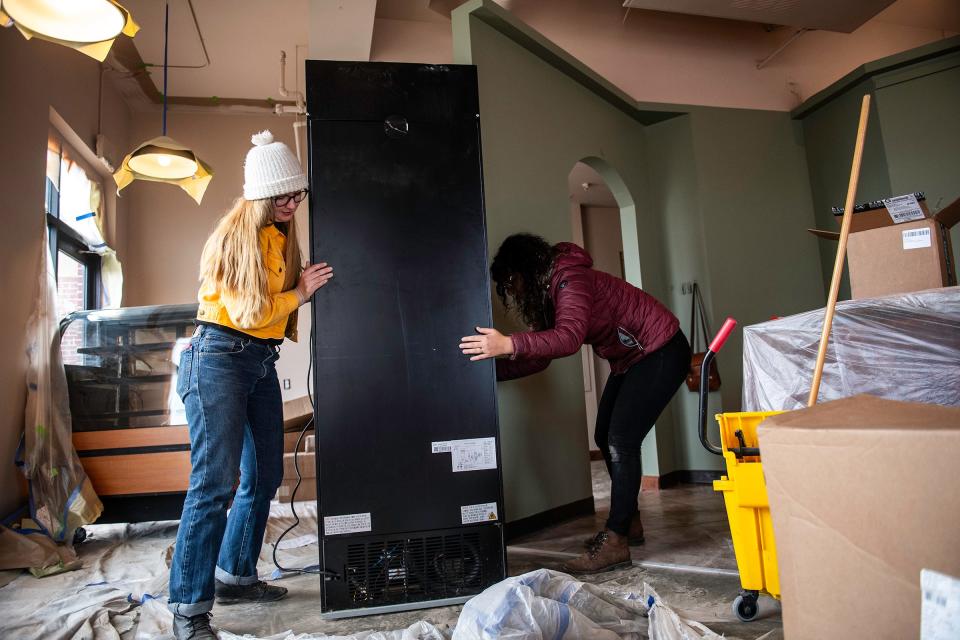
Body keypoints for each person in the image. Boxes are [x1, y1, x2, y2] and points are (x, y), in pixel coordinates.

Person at [168, 131, 333, 640]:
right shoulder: (235, 236)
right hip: (217, 358)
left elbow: (265, 312)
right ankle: (190, 610)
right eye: (281, 196)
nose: (290, 204)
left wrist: (297, 284)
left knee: (263, 477)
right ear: (260, 196)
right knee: (214, 484)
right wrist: (301, 293)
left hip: (256, 361)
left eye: (296, 194)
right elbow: (246, 311)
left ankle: (236, 575)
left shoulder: (282, 236)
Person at [459, 233, 690, 574]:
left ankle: (616, 542)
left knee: (621, 440)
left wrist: (508, 343)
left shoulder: (569, 278)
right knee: (605, 435)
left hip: (661, 349)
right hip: (632, 358)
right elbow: (541, 356)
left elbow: (567, 338)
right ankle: (630, 524)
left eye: (511, 280)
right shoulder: (549, 292)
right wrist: (492, 372)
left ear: (526, 267)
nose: (513, 290)